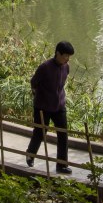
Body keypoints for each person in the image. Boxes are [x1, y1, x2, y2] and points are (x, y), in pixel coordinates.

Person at [26, 41, 75, 174]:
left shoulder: (66, 67)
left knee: (63, 134)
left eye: (69, 57)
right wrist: (40, 95)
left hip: (59, 105)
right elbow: (33, 82)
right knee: (40, 132)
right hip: (43, 106)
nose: (67, 59)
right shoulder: (45, 67)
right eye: (65, 56)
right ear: (57, 53)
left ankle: (61, 165)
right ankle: (30, 154)